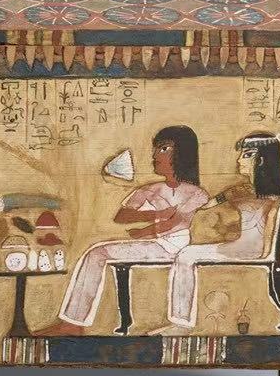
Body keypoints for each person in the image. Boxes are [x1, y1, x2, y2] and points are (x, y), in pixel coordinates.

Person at [35, 126, 209, 336]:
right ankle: (73, 323)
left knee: (100, 252)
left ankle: (74, 322)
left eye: (164, 149)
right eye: (156, 149)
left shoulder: (197, 194)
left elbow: (174, 223)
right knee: (96, 253)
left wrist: (146, 231)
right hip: (155, 246)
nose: (155, 155)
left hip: (177, 247)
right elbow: (122, 216)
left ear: (183, 153)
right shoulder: (149, 189)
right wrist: (155, 215)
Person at [161, 132, 280, 333]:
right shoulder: (245, 189)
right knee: (187, 253)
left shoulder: (274, 197)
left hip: (250, 250)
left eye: (247, 155)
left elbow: (272, 223)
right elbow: (210, 203)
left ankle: (181, 323)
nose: (239, 160)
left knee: (186, 254)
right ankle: (180, 321)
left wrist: (267, 252)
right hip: (246, 247)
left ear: (262, 160)